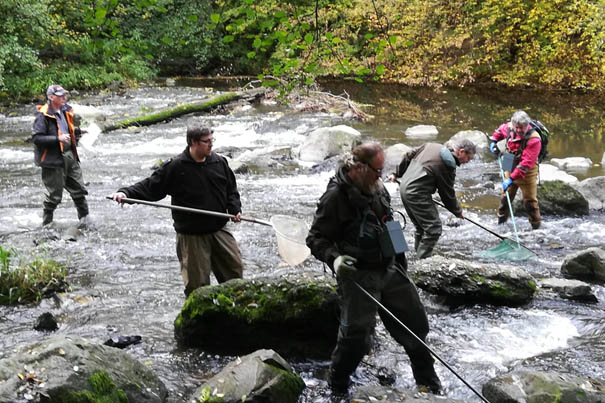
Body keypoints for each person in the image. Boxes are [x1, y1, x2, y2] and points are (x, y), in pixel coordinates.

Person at [306, 142, 442, 395]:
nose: (382, 176)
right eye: (378, 170)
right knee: (355, 339)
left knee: (415, 325)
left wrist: (401, 263)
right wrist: (334, 259)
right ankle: (337, 387)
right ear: (358, 167)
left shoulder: (378, 189)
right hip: (357, 274)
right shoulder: (335, 197)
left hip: (390, 268)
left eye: (383, 170)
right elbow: (315, 239)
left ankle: (429, 383)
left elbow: (389, 224)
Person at [112, 127, 244, 296]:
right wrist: (126, 193)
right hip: (192, 236)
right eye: (207, 141)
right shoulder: (176, 166)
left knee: (235, 274)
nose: (211, 145)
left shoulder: (219, 162)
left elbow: (231, 190)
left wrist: (234, 209)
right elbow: (152, 186)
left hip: (219, 230)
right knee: (198, 287)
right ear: (194, 142)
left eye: (212, 140)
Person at [388, 139, 476, 259]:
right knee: (434, 228)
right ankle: (423, 262)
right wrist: (457, 211)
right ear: (461, 152)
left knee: (421, 227)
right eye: (468, 158)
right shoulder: (448, 164)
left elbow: (408, 155)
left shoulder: (431, 146)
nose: (467, 162)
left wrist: (397, 173)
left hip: (404, 189)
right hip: (416, 194)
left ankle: (418, 256)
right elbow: (447, 193)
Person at [32, 84, 90, 227]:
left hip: (70, 156)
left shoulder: (65, 111)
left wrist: (78, 132)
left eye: (65, 95)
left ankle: (86, 222)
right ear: (51, 98)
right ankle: (46, 225)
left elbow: (66, 130)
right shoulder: (42, 116)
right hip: (53, 161)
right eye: (60, 95)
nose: (64, 97)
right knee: (54, 197)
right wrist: (57, 139)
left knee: (79, 191)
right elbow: (37, 139)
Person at [489, 110, 542, 229]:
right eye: (516, 127)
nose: (518, 130)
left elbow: (525, 164)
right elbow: (498, 131)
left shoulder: (534, 139)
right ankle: (501, 223)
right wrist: (493, 141)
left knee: (530, 202)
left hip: (527, 170)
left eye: (521, 128)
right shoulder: (508, 127)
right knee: (505, 196)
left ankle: (536, 227)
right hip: (509, 159)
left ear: (527, 125)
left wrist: (511, 179)